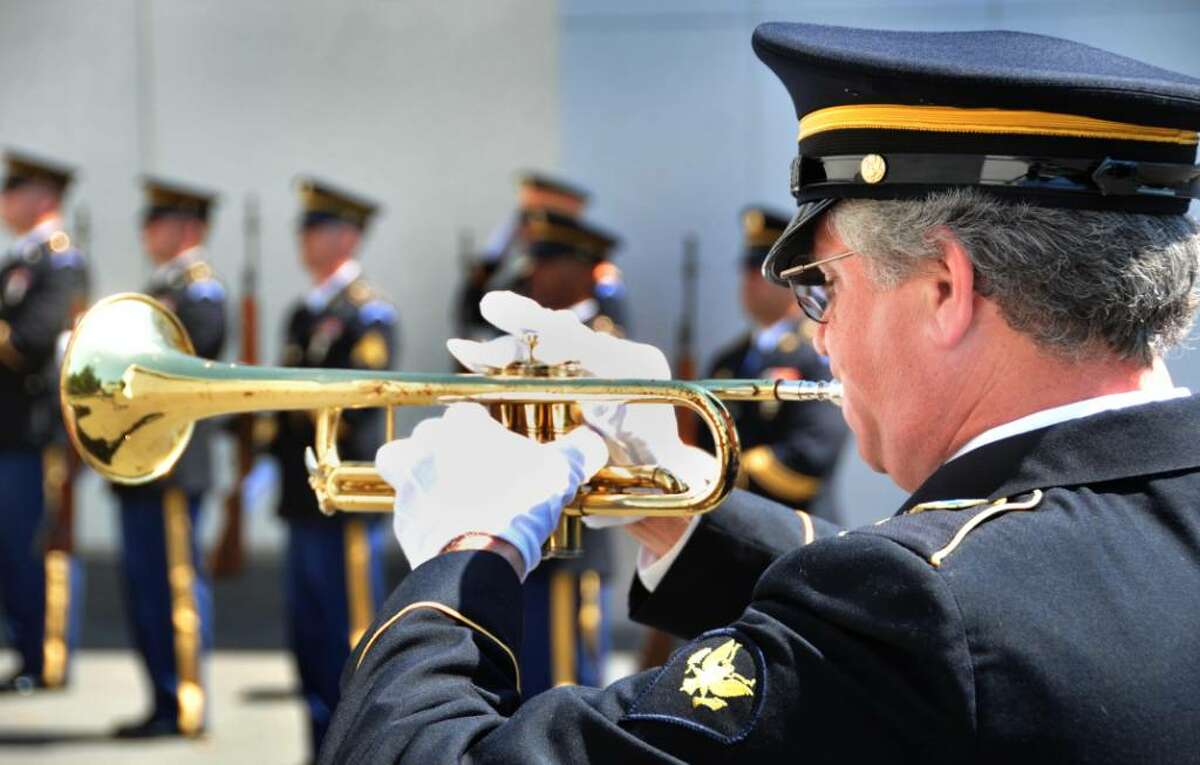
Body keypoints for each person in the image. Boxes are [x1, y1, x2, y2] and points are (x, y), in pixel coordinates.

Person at [320, 23, 1200, 764]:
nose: (820, 332)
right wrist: (676, 504)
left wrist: (464, 554)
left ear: (944, 288)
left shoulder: (917, 609)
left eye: (823, 287)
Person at [267, 178, 399, 758]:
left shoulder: (367, 313)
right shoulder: (304, 313)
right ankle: (319, 747)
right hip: (304, 493)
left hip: (343, 495)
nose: (303, 239)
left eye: (315, 228)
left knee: (351, 638)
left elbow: (355, 401)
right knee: (308, 637)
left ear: (346, 236)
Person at [109, 178, 227, 738]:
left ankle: (185, 700)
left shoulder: (201, 292)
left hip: (176, 465)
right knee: (145, 588)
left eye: (158, 222)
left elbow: (187, 362)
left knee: (176, 586)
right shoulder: (163, 287)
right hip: (145, 462)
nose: (146, 232)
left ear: (188, 229)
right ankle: (161, 696)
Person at [508, 209, 624, 696]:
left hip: (570, 535)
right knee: (528, 679)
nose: (532, 273)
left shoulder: (602, 341)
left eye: (545, 261)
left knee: (565, 684)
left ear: (578, 270)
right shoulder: (530, 338)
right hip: (528, 530)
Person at [0, 151, 89, 694]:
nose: (6, 199)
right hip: (9, 429)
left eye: (17, 189)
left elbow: (33, 341)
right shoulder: (20, 261)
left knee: (37, 546)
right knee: (11, 550)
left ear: (46, 198)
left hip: (36, 431)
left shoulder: (60, 262)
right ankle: (27, 648)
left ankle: (47, 654)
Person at [698, 207, 848, 520]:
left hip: (797, 528)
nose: (750, 280)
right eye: (747, 268)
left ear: (789, 276)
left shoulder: (818, 353)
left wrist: (726, 477)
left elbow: (814, 452)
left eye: (761, 269)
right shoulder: (729, 360)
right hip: (730, 530)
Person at [455, 173, 590, 342]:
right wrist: (488, 264)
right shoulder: (528, 269)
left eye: (528, 220)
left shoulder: (574, 273)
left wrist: (489, 263)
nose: (519, 230)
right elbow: (475, 316)